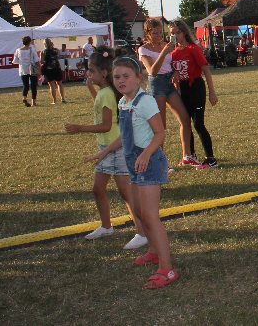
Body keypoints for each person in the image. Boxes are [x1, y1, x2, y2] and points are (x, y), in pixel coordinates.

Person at [85, 56, 178, 289]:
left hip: (149, 163)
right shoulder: (123, 103)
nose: (121, 80)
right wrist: (104, 151)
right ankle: (153, 252)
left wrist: (145, 155)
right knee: (138, 211)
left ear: (138, 78)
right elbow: (124, 136)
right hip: (134, 164)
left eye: (126, 76)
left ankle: (167, 268)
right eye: (117, 77)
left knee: (150, 216)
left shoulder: (145, 101)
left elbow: (160, 133)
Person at [65, 47, 147, 250]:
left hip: (117, 148)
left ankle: (142, 232)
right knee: (98, 189)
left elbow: (106, 125)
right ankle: (106, 226)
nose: (88, 74)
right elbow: (103, 108)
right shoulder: (105, 93)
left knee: (126, 193)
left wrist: (79, 128)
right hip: (106, 147)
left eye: (91, 70)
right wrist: (90, 90)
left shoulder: (108, 94)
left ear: (103, 73)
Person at [138, 19, 203, 170]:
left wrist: (175, 72)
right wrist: (163, 52)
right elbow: (152, 71)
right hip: (157, 85)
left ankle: (187, 156)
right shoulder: (143, 49)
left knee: (185, 119)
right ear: (148, 34)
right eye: (155, 33)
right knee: (160, 127)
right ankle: (159, 163)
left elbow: (172, 64)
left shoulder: (166, 45)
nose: (158, 36)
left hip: (169, 83)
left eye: (160, 33)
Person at [169, 20, 219, 168]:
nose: (175, 36)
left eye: (178, 32)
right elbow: (174, 73)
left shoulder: (193, 49)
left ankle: (210, 159)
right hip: (182, 89)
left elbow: (206, 70)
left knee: (198, 124)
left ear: (184, 32)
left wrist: (212, 93)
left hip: (196, 87)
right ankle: (191, 155)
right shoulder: (172, 53)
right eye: (172, 33)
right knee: (185, 123)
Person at [12, 36, 40, 107]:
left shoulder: (18, 50)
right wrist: (39, 69)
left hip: (23, 69)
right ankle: (33, 102)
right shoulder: (32, 49)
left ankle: (24, 98)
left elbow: (15, 61)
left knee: (25, 85)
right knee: (33, 86)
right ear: (29, 42)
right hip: (32, 69)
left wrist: (22, 62)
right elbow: (36, 60)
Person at [41, 38, 66, 104]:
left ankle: (54, 101)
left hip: (48, 69)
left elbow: (42, 62)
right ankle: (63, 98)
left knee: (52, 85)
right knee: (60, 83)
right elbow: (58, 55)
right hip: (57, 68)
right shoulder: (56, 50)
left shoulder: (43, 52)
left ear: (44, 44)